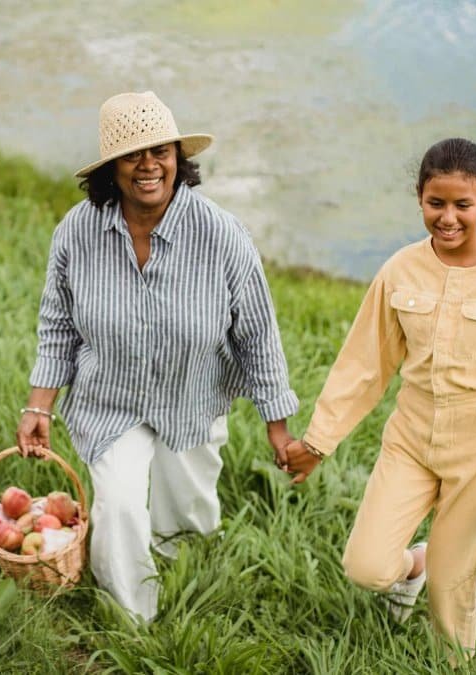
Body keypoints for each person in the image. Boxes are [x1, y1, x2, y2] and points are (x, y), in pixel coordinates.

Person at [16, 91, 299, 622]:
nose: (149, 165)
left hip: (192, 400)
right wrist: (38, 406)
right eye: (132, 155)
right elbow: (57, 327)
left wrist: (277, 427)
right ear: (112, 170)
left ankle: (186, 582)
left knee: (185, 521)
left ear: (178, 158)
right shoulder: (77, 233)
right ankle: (133, 624)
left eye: (161, 151)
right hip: (110, 400)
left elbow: (259, 335)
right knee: (120, 507)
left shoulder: (222, 235)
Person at [279, 138, 476, 660]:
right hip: (410, 439)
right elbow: (365, 364)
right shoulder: (399, 271)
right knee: (367, 566)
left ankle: (452, 666)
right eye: (436, 204)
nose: (448, 218)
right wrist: (319, 441)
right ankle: (414, 567)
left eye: (462, 205)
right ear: (419, 198)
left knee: (451, 593)